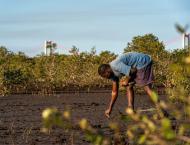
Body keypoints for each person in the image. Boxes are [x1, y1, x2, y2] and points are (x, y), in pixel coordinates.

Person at [98, 52, 155, 118]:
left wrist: (126, 80)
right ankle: (131, 110)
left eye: (105, 76)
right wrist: (110, 109)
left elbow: (133, 71)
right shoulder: (112, 75)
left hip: (143, 62)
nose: (106, 78)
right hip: (135, 66)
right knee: (129, 86)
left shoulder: (115, 65)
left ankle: (161, 110)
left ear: (107, 71)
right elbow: (114, 92)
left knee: (146, 87)